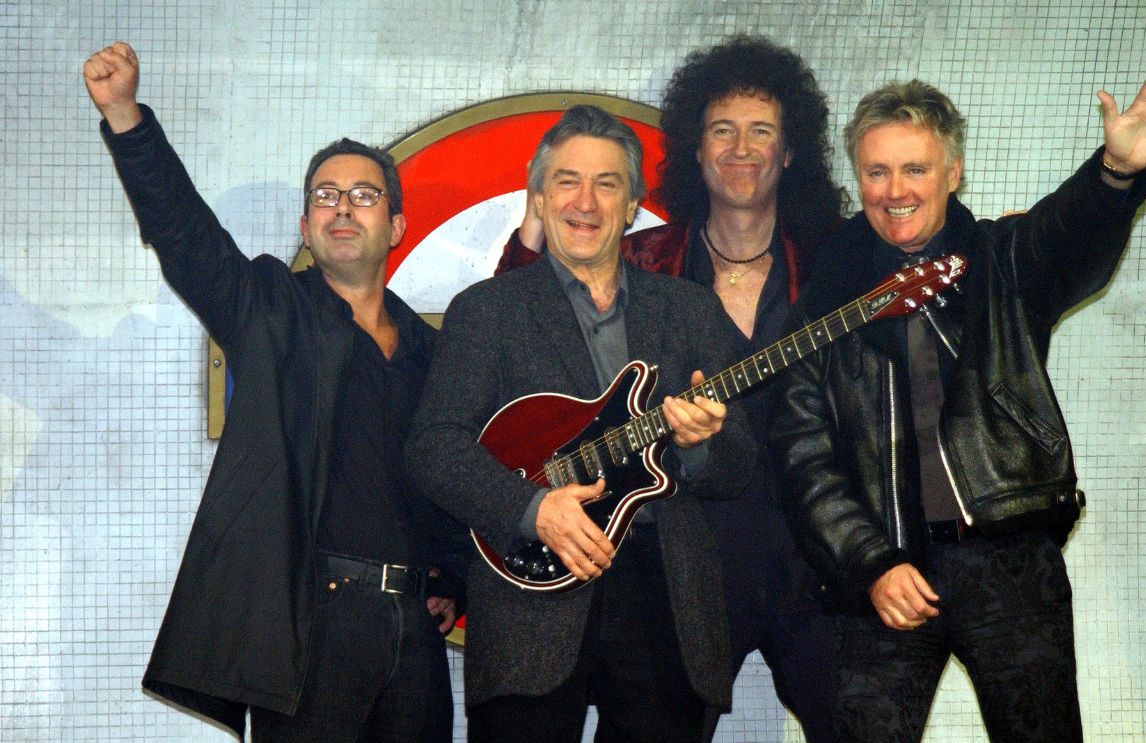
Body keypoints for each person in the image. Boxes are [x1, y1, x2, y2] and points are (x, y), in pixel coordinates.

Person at [770, 62, 1146, 741]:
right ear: (857, 178)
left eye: (914, 169)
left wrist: (1114, 173)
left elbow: (1068, 234)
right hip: (880, 576)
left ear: (953, 172)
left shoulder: (1004, 262)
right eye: (876, 172)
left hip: (1010, 566)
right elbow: (804, 457)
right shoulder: (822, 304)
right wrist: (869, 563)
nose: (894, 191)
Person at [84, 42, 467, 741]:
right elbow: (183, 233)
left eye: (362, 195)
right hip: (307, 625)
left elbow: (445, 475)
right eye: (324, 195)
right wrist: (125, 117)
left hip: (415, 633)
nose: (341, 207)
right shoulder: (268, 308)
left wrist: (451, 577)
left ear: (397, 226)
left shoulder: (431, 351)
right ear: (305, 227)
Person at [496, 36, 849, 741]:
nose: (740, 148)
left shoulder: (834, 261)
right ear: (693, 147)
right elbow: (522, 321)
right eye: (721, 129)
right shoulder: (643, 258)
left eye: (760, 131)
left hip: (817, 551)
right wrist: (535, 219)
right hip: (691, 558)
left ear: (789, 151)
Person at [408, 104, 753, 742]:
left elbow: (743, 461)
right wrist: (531, 507)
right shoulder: (486, 311)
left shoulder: (689, 310)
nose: (586, 202)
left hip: (666, 598)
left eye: (607, 183)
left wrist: (704, 446)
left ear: (632, 206)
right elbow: (434, 448)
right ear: (538, 198)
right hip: (527, 594)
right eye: (566, 181)